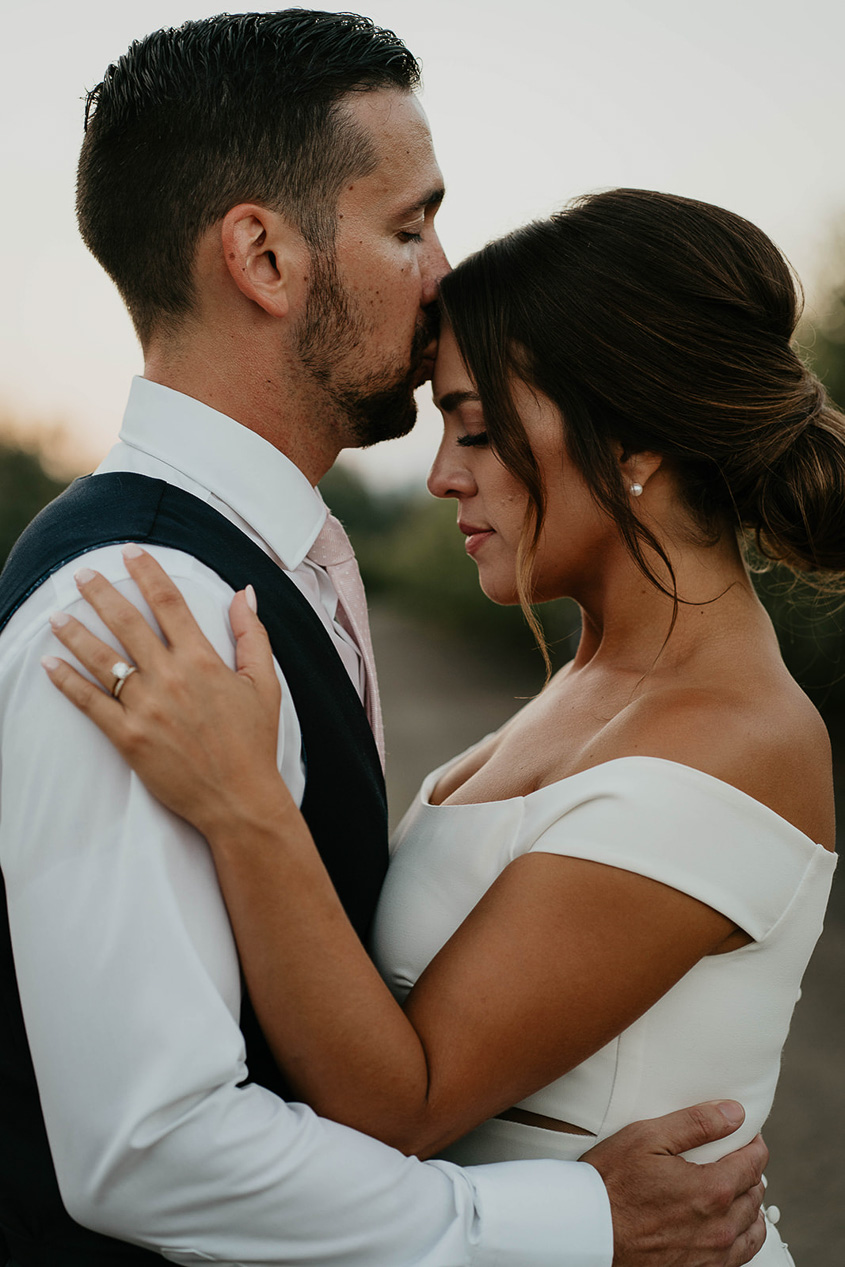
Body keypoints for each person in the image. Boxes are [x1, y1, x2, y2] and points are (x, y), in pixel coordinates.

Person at [0, 11, 767, 1267]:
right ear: (263, 255)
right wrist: (569, 1220)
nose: (441, 272)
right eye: (408, 226)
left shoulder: (273, 561)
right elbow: (155, 1143)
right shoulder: (153, 606)